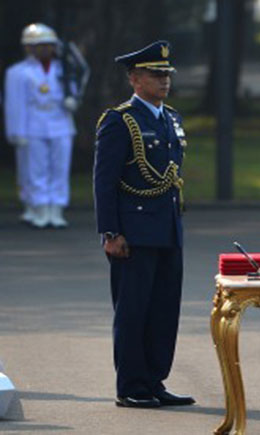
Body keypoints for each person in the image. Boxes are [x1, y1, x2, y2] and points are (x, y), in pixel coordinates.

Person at [94, 40, 194, 409]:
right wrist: (110, 231)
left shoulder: (171, 118)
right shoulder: (120, 121)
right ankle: (132, 384)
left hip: (167, 228)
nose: (164, 80)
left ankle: (154, 380)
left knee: (164, 310)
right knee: (133, 310)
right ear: (135, 79)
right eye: (156, 74)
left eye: (166, 74)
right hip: (133, 232)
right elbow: (104, 181)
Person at [3, 23, 76, 228]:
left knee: (60, 168)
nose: (45, 49)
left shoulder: (64, 68)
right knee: (36, 170)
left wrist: (73, 101)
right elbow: (15, 104)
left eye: (48, 45)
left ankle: (57, 210)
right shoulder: (18, 72)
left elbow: (73, 90)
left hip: (61, 124)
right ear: (29, 47)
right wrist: (16, 131)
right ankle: (40, 208)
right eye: (39, 45)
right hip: (33, 126)